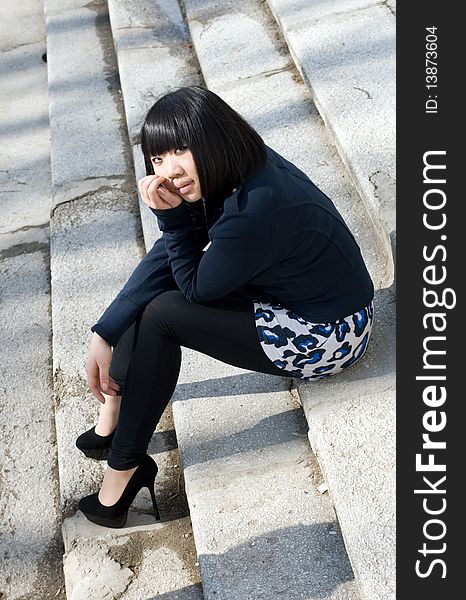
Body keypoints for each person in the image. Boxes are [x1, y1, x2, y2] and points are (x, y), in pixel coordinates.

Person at [76, 86, 375, 528]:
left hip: (328, 335)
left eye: (181, 149)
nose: (169, 171)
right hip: (302, 297)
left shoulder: (255, 209)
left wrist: (173, 219)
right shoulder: (238, 166)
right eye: (158, 159)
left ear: (212, 137)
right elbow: (169, 258)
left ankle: (124, 469)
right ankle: (113, 416)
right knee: (151, 297)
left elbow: (194, 287)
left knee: (161, 314)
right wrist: (105, 331)